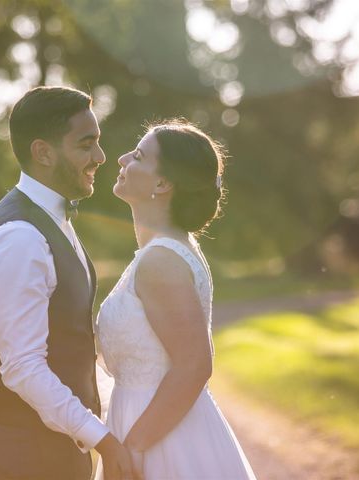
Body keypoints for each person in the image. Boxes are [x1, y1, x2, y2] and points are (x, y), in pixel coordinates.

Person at [0, 86, 136, 480]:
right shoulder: (19, 236)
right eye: (86, 144)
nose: (100, 157)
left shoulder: (50, 219)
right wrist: (102, 439)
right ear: (43, 153)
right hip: (15, 451)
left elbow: (69, 347)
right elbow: (22, 366)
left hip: (44, 446)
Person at [96, 120, 257, 479]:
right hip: (148, 424)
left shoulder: (161, 261)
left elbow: (195, 365)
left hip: (162, 441)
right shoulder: (161, 252)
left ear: (162, 183)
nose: (121, 159)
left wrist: (136, 445)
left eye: (137, 156)